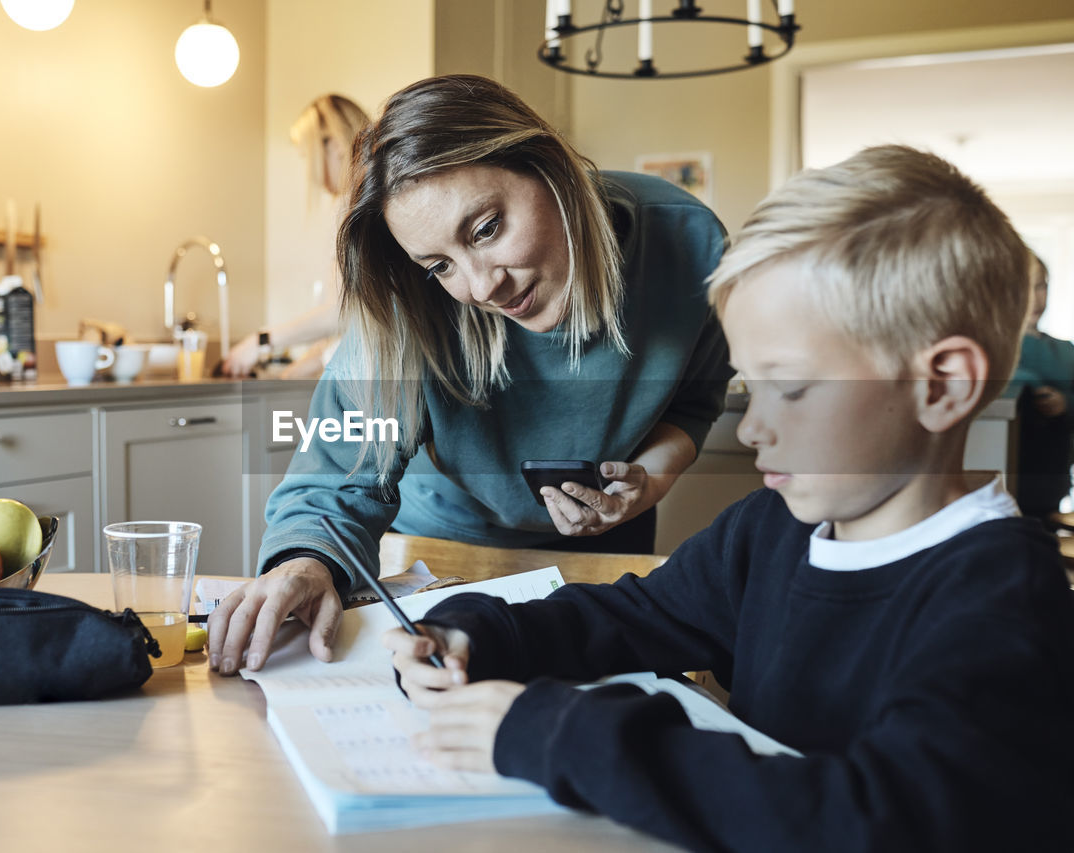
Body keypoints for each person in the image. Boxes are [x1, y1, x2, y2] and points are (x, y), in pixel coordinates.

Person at [384, 145, 1074, 851]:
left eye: (793, 387)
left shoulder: (1004, 598)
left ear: (942, 386)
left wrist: (559, 732)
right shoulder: (769, 530)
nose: (751, 427)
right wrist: (476, 633)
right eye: (750, 387)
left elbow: (873, 818)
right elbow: (628, 614)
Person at [208, 74, 731, 675]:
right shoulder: (405, 311)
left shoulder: (690, 240)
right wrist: (304, 565)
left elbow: (694, 402)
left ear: (550, 166)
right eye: (439, 266)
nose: (482, 288)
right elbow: (333, 479)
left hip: (608, 553)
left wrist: (652, 480)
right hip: (444, 554)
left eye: (486, 229)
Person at [219, 94, 370, 379]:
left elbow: (338, 312)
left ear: (335, 144)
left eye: (308, 156)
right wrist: (287, 377)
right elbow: (349, 326)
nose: (310, 175)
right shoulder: (369, 201)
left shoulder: (356, 206)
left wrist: (260, 342)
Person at [1010, 252, 1074, 519]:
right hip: (1011, 478)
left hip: (1052, 483)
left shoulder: (1065, 350)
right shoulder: (1000, 348)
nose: (1036, 297)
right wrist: (1034, 383)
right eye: (1026, 286)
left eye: (1041, 286)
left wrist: (1065, 403)